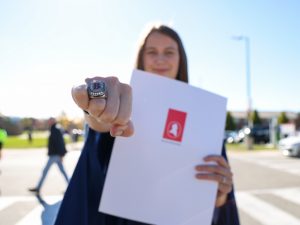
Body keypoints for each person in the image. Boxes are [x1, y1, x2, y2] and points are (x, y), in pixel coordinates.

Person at [55, 24, 240, 225]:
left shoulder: (204, 115)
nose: (160, 59)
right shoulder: (122, 107)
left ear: (181, 60)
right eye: (152, 52)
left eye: (169, 52)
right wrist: (95, 105)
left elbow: (217, 204)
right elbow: (99, 135)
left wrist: (219, 195)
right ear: (141, 58)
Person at [29, 117, 69, 194]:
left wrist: (61, 154)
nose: (48, 122)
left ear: (53, 121)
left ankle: (38, 188)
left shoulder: (56, 129)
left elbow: (60, 143)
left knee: (45, 171)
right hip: (55, 154)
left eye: (50, 120)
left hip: (55, 155)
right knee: (63, 172)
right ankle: (71, 187)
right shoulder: (54, 129)